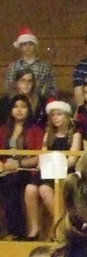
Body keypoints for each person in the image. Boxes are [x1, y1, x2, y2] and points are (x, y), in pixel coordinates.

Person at [0, 93, 43, 240]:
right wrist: (4, 165)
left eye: (23, 107)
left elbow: (39, 156)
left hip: (26, 170)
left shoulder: (35, 130)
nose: (19, 110)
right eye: (16, 107)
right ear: (11, 110)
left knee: (11, 184)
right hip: (5, 169)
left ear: (28, 110)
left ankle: (16, 232)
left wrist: (18, 164)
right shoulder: (3, 129)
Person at [5, 28, 58, 102]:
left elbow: (52, 87)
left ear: (35, 46)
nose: (28, 47)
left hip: (41, 103)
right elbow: (10, 88)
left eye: (31, 44)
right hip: (19, 104)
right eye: (24, 44)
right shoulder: (13, 67)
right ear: (20, 47)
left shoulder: (45, 66)